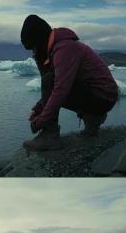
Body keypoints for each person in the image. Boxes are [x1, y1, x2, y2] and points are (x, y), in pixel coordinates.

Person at [20, 14, 119, 151]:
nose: (34, 51)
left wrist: (41, 121)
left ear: (40, 39)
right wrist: (38, 108)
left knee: (50, 80)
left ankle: (50, 137)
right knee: (51, 80)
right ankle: (93, 117)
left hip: (102, 96)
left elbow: (59, 89)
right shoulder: (59, 47)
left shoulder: (64, 49)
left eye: (34, 46)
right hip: (102, 95)